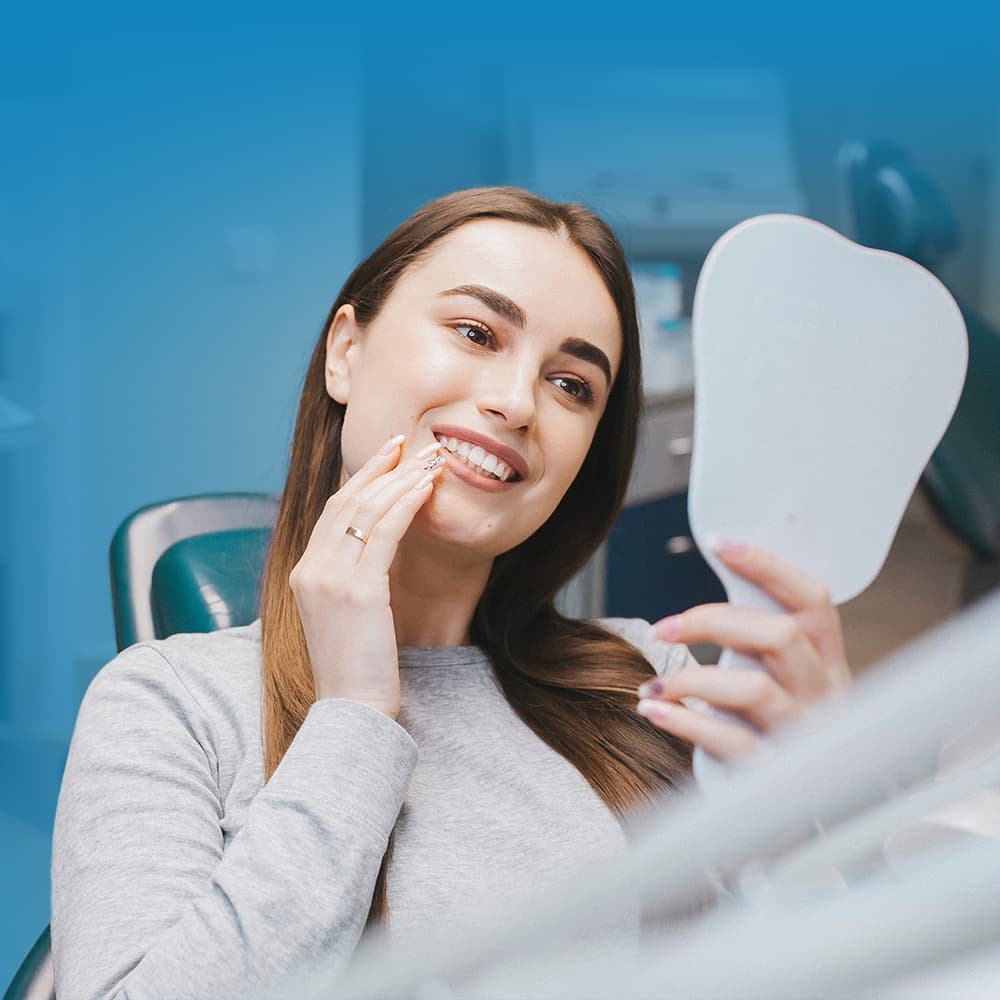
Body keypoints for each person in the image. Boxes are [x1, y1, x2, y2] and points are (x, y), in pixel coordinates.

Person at [51, 187, 851, 998]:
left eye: (572, 385)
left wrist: (824, 803)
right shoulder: (168, 704)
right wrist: (356, 714)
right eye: (475, 333)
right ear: (345, 352)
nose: (515, 402)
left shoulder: (650, 681)